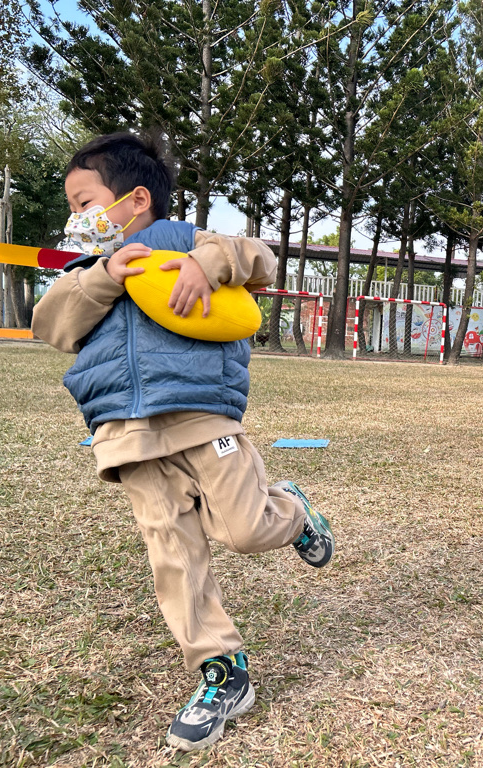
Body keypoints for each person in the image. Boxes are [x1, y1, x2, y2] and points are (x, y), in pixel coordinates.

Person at [32, 132, 333, 752]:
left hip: (202, 416)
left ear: (136, 199)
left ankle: (292, 511)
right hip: (125, 432)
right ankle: (222, 671)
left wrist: (206, 262)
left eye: (84, 202)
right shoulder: (84, 273)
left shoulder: (182, 239)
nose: (75, 217)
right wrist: (104, 278)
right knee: (174, 553)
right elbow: (52, 327)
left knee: (245, 529)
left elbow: (259, 257)